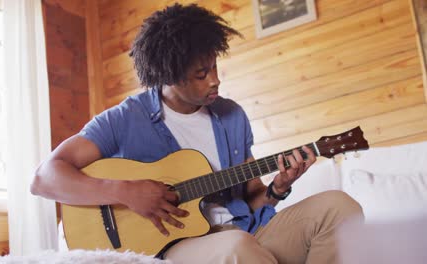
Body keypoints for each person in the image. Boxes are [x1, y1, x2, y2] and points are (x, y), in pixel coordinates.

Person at [31, 3, 363, 263]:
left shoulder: (231, 116)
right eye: (201, 73)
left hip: (245, 232)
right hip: (177, 246)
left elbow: (252, 197)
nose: (215, 80)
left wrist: (278, 187)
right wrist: (125, 191)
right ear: (169, 76)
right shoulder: (125, 119)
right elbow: (44, 178)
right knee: (237, 248)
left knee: (339, 207)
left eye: (215, 66)